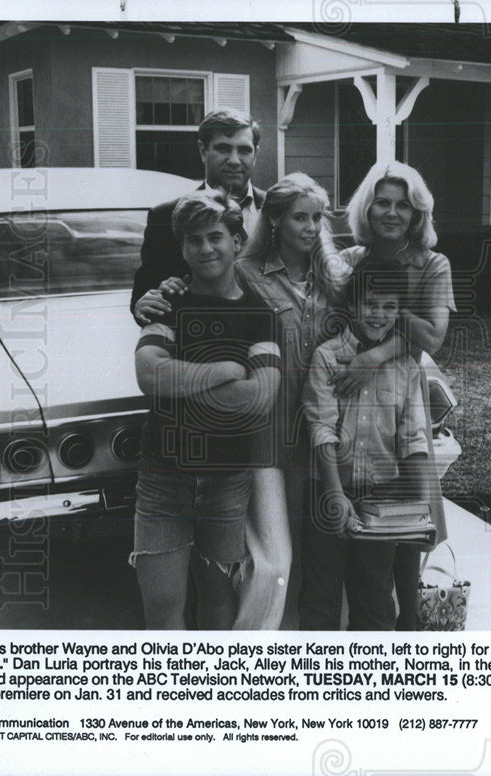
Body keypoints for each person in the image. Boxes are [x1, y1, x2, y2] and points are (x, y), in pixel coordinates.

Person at [148, 172, 350, 629]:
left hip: (321, 435)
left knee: (315, 557)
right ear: (274, 219)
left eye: (318, 218)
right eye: (301, 217)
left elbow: (382, 308)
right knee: (272, 562)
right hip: (264, 436)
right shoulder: (245, 274)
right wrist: (159, 293)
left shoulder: (334, 280)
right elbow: (195, 288)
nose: (312, 227)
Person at [131, 191, 281, 630]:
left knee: (218, 598)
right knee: (162, 608)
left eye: (215, 236)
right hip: (163, 478)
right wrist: (225, 369)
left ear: (237, 241)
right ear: (181, 248)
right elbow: (148, 374)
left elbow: (258, 400)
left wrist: (181, 382)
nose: (205, 248)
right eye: (193, 240)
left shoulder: (260, 313)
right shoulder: (166, 304)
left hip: (228, 478)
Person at [335, 161, 457, 630]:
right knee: (354, 529)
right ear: (367, 207)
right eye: (382, 202)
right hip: (348, 406)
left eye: (402, 205)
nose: (391, 213)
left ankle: (405, 635)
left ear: (416, 212)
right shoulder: (348, 260)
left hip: (403, 409)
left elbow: (433, 337)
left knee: (407, 534)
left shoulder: (432, 263)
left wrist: (375, 352)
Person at [300, 260, 430, 630]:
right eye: (371, 304)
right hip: (327, 491)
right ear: (353, 306)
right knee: (320, 597)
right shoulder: (328, 357)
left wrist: (421, 510)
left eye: (390, 307)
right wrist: (335, 494)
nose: (379, 315)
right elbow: (321, 427)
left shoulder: (405, 365)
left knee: (375, 599)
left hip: (382, 496)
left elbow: (413, 438)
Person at [131, 109, 264, 325]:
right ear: (203, 151)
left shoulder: (277, 210)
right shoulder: (165, 216)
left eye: (244, 150)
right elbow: (144, 299)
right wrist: (147, 301)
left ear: (255, 154)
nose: (234, 160)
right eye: (223, 149)